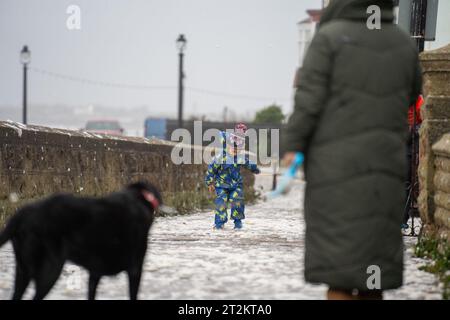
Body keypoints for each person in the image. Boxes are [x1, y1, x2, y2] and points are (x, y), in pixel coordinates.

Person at [283, 0, 422, 300]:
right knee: (374, 274)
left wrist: (292, 145)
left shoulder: (330, 38)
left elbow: (309, 101)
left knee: (341, 274)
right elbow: (411, 94)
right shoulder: (402, 42)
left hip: (336, 170)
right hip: (384, 169)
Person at [205, 123, 260, 230]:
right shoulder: (220, 157)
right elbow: (211, 169)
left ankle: (238, 222)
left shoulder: (240, 157)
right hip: (221, 185)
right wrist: (209, 182)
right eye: (233, 149)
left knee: (237, 202)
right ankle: (219, 223)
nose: (235, 151)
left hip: (236, 185)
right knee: (221, 202)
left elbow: (248, 163)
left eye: (237, 150)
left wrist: (255, 168)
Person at [402, 95, 424, 229]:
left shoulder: (417, 99)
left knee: (406, 182)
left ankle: (402, 217)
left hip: (409, 145)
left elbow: (424, 119)